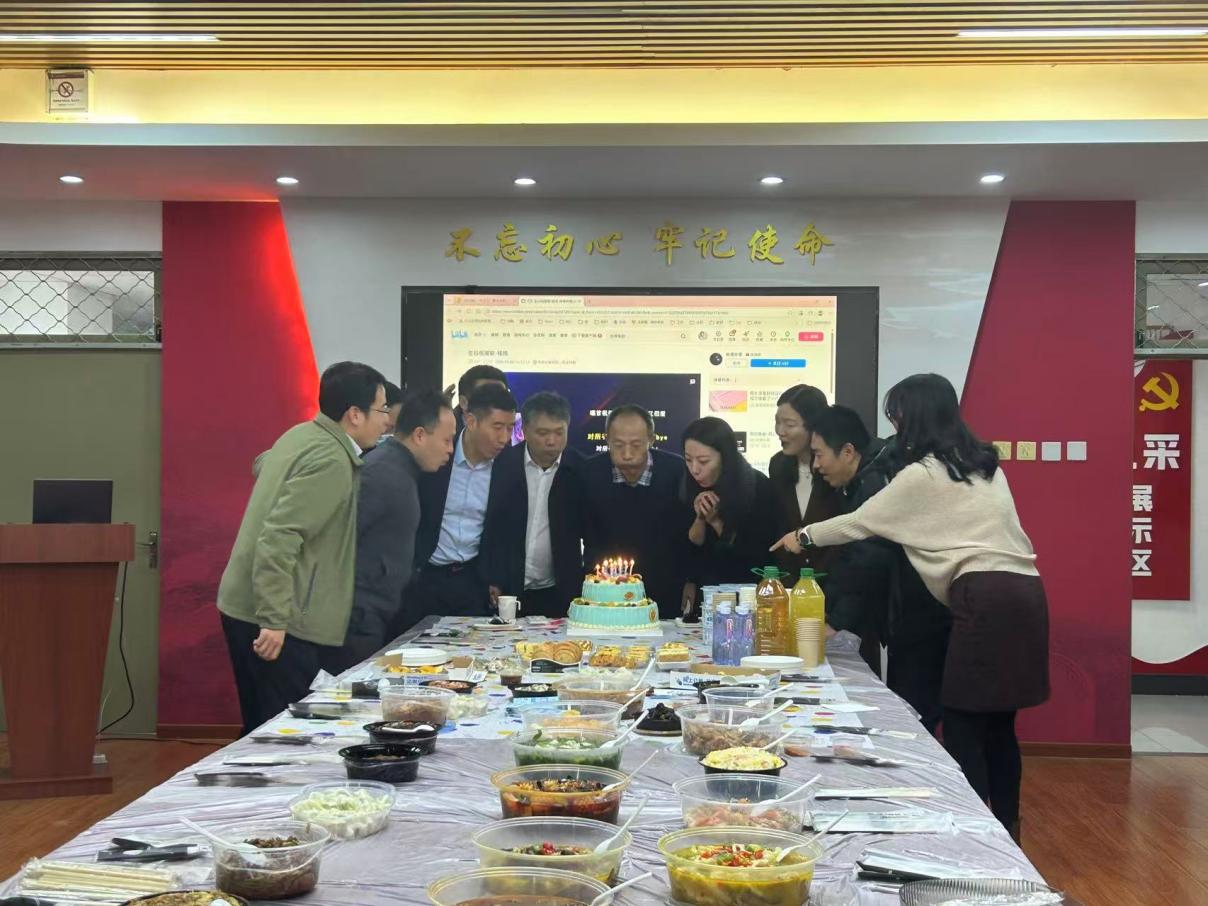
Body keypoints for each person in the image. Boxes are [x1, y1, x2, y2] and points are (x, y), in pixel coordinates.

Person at [774, 374, 1049, 840]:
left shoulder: (925, 473)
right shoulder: (983, 464)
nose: (895, 430)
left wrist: (803, 536)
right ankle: (1006, 828)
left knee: (962, 726)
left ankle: (973, 835)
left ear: (913, 418)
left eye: (897, 418)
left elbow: (862, 523)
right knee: (999, 727)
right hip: (1025, 594)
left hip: (981, 597)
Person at [217, 361, 390, 736]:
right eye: (382, 409)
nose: (387, 420)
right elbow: (279, 537)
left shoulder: (301, 436)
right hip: (278, 616)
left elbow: (263, 465)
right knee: (284, 732)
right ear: (354, 414)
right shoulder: (332, 460)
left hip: (248, 604)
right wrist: (274, 619)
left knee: (262, 726)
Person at [808, 405, 951, 733]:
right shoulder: (868, 474)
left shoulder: (877, 480)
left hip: (921, 612)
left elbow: (868, 557)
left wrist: (835, 621)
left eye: (818, 454)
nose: (816, 465)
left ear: (847, 452)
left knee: (914, 715)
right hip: (912, 612)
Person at [325, 390, 457, 673]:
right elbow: (339, 539)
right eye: (446, 440)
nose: (450, 449)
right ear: (419, 435)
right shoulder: (382, 472)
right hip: (357, 617)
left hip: (375, 612)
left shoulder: (403, 469)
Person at [410, 382, 516, 625]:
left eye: (511, 428)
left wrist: (496, 577)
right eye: (497, 427)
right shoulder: (438, 456)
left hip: (473, 580)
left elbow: (504, 528)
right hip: (425, 576)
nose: (504, 438)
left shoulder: (508, 466)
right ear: (470, 421)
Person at [582, 404, 694, 619]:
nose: (626, 454)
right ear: (606, 439)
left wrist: (692, 579)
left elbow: (691, 535)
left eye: (636, 445)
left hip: (667, 589)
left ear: (651, 440)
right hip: (606, 595)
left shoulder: (677, 472)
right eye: (618, 445)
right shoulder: (589, 474)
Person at [482, 391, 585, 617]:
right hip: (508, 589)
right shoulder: (502, 465)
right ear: (525, 430)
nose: (552, 441)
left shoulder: (579, 470)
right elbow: (492, 526)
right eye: (543, 433)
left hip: (560, 591)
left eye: (559, 432)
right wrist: (493, 576)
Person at [680, 416, 779, 597]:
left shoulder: (756, 486)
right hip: (705, 588)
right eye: (688, 459)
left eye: (703, 461)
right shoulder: (687, 484)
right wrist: (700, 518)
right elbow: (689, 546)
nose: (694, 469)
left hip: (746, 591)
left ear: (725, 457)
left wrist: (716, 522)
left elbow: (756, 555)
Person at [769, 384, 843, 575]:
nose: (780, 431)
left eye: (789, 424)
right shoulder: (778, 465)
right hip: (791, 579)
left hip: (832, 578)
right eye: (777, 422)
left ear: (814, 427)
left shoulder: (834, 467)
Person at [451, 364, 508, 433]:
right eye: (485, 396)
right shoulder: (444, 432)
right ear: (463, 402)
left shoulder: (515, 430)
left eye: (500, 396)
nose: (495, 403)